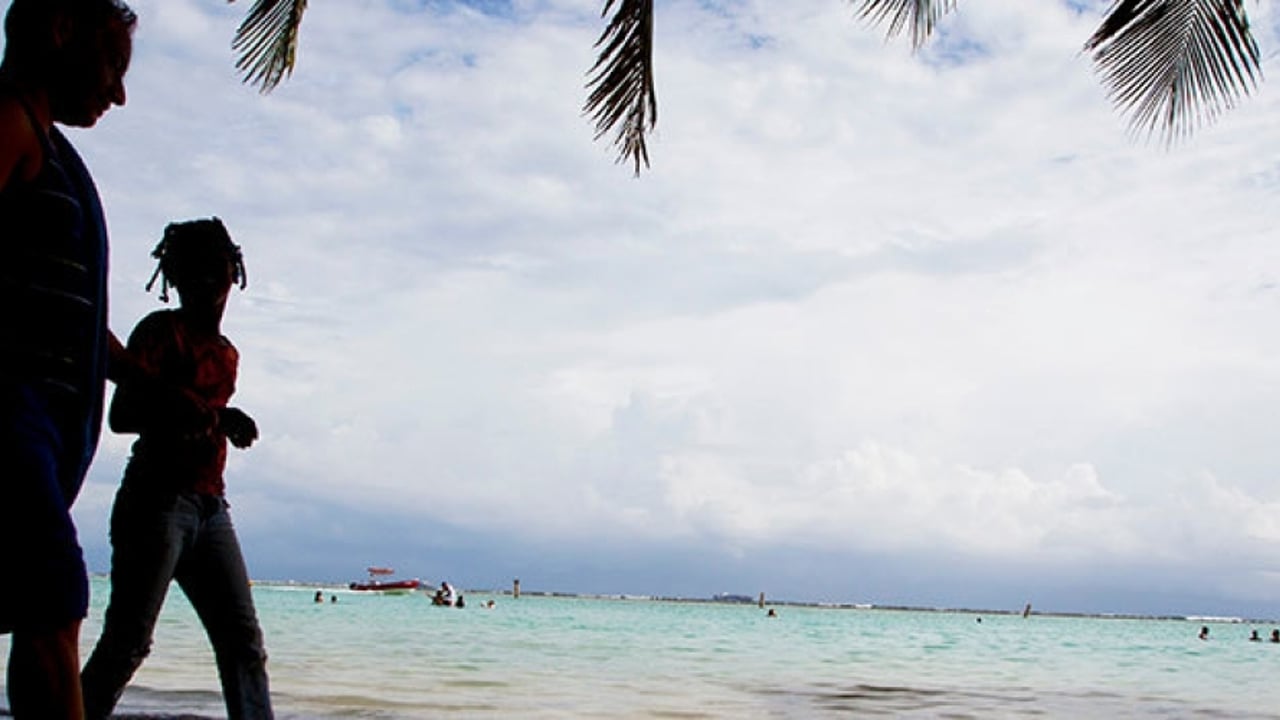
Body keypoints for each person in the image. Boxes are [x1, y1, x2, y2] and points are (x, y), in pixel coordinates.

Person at [0, 1, 136, 717]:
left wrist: (139, 376)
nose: (118, 92)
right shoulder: (10, 121)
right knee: (55, 600)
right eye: (113, 66)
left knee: (38, 609)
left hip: (44, 440)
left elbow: (73, 312)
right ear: (60, 32)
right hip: (8, 421)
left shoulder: (54, 149)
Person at [79, 219, 273, 719]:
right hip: (154, 499)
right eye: (196, 272)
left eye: (217, 270)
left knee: (244, 643)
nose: (210, 283)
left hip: (211, 506)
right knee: (128, 643)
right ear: (177, 277)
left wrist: (220, 420)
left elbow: (199, 413)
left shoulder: (227, 354)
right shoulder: (161, 331)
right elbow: (122, 417)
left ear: (233, 273)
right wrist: (199, 412)